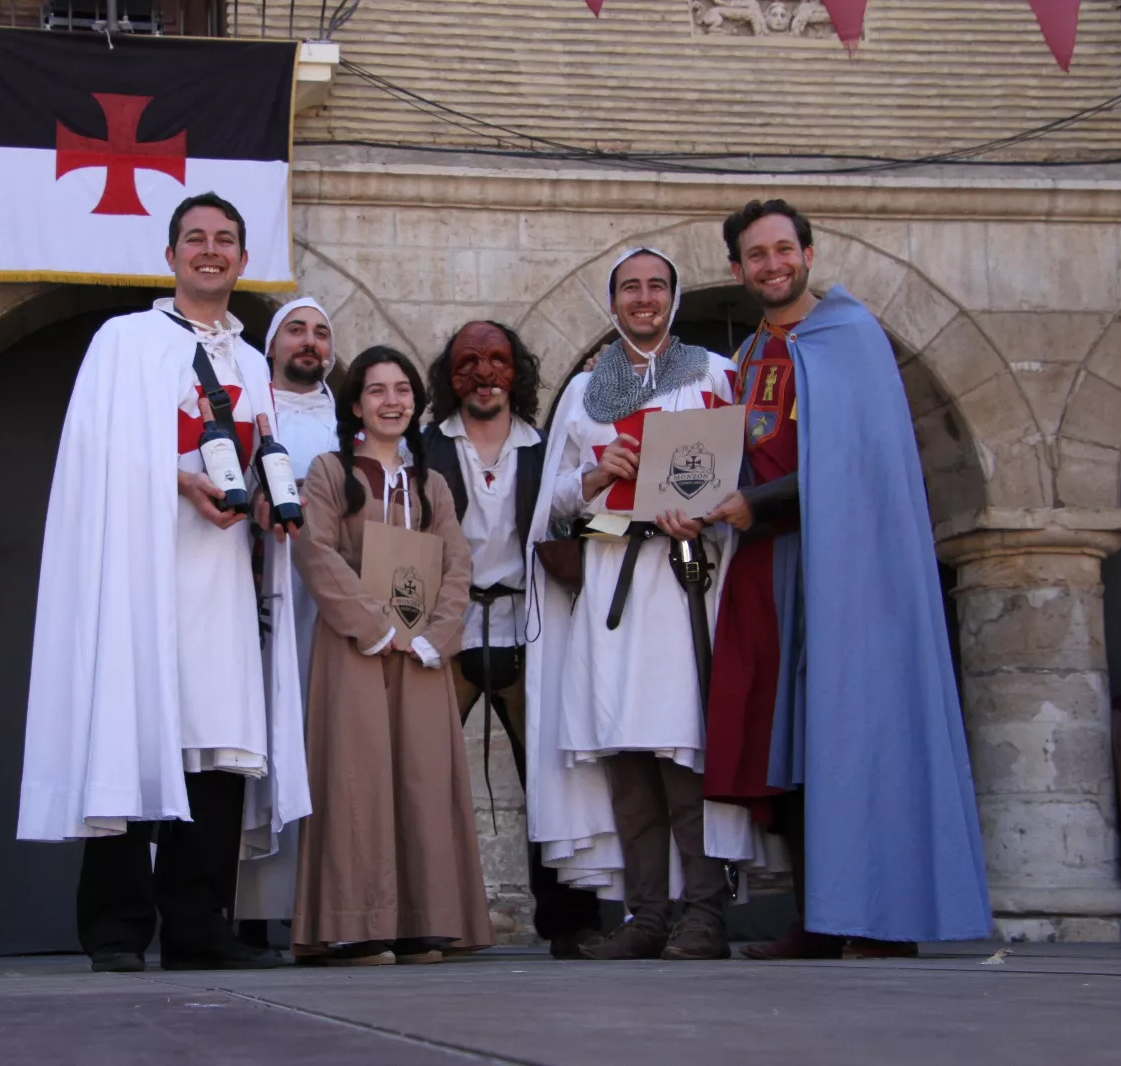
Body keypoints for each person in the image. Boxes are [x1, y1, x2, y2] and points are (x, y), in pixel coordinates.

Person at [16, 192, 310, 973]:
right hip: (141, 574)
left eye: (225, 239)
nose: (210, 250)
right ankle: (115, 928)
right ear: (171, 255)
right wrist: (181, 483)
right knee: (132, 728)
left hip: (222, 577)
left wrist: (269, 503)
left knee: (217, 745)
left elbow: (260, 454)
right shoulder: (125, 341)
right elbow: (95, 455)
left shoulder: (253, 364)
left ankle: (198, 927)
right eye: (195, 238)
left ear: (243, 259)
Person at [694, 199, 989, 958]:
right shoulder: (749, 355)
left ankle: (885, 918)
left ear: (809, 254)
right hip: (769, 566)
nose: (771, 264)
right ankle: (821, 919)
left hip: (851, 566)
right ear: (737, 269)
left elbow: (856, 465)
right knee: (788, 740)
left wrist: (756, 503)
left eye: (782, 249)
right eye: (755, 255)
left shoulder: (852, 338)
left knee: (859, 726)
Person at [525, 248, 767, 961]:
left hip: (685, 582)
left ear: (673, 297)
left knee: (683, 745)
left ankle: (704, 914)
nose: (643, 298)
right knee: (624, 747)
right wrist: (596, 475)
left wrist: (708, 507)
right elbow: (553, 507)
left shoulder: (713, 375)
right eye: (630, 288)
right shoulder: (583, 391)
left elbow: (745, 472)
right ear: (613, 303)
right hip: (609, 582)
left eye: (656, 286)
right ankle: (647, 915)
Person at [291, 345, 495, 966]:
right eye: (377, 390)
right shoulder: (330, 472)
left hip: (421, 653)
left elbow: (457, 564)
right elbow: (316, 551)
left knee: (421, 776)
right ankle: (354, 924)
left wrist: (437, 635)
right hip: (356, 647)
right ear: (356, 405)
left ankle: (420, 921)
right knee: (357, 778)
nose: (392, 401)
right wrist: (375, 627)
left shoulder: (432, 484)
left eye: (402, 390)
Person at [421, 320, 607, 959]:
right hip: (448, 630)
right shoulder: (426, 448)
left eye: (497, 360)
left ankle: (571, 920)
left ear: (517, 371)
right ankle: (431, 919)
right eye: (469, 362)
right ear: (450, 376)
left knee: (552, 777)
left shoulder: (545, 449)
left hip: (529, 627)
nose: (484, 374)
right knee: (425, 775)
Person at [235, 296, 338, 939]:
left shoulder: (347, 421)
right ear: (272, 345)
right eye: (296, 330)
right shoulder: (252, 409)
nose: (309, 341)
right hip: (260, 591)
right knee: (260, 737)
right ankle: (247, 914)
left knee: (317, 739)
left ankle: (315, 909)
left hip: (324, 605)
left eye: (321, 333)